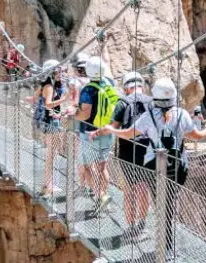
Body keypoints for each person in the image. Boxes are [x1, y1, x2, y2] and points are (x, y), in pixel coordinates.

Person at [93, 77, 206, 256]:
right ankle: (168, 244)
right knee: (169, 203)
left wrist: (110, 130)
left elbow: (127, 134)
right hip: (179, 168)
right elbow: (199, 136)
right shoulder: (182, 114)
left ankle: (166, 244)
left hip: (156, 167)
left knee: (162, 205)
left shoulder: (148, 117)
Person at [109, 71, 154, 239]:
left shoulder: (122, 102)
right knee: (143, 188)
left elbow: (114, 127)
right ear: (141, 86)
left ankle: (130, 228)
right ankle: (142, 227)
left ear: (127, 88)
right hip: (148, 151)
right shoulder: (152, 102)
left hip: (127, 151)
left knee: (128, 190)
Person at [75, 56, 119, 213]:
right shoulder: (109, 83)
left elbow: (85, 114)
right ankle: (104, 197)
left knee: (87, 166)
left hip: (89, 133)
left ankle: (100, 196)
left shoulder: (88, 89)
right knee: (102, 167)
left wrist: (73, 113)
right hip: (106, 131)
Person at [32, 59, 66, 195]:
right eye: (58, 71)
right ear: (52, 72)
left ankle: (48, 184)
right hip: (50, 122)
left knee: (54, 151)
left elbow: (36, 98)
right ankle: (48, 185)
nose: (60, 73)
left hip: (51, 121)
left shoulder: (46, 84)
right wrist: (63, 100)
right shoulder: (49, 86)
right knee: (52, 153)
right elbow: (48, 104)